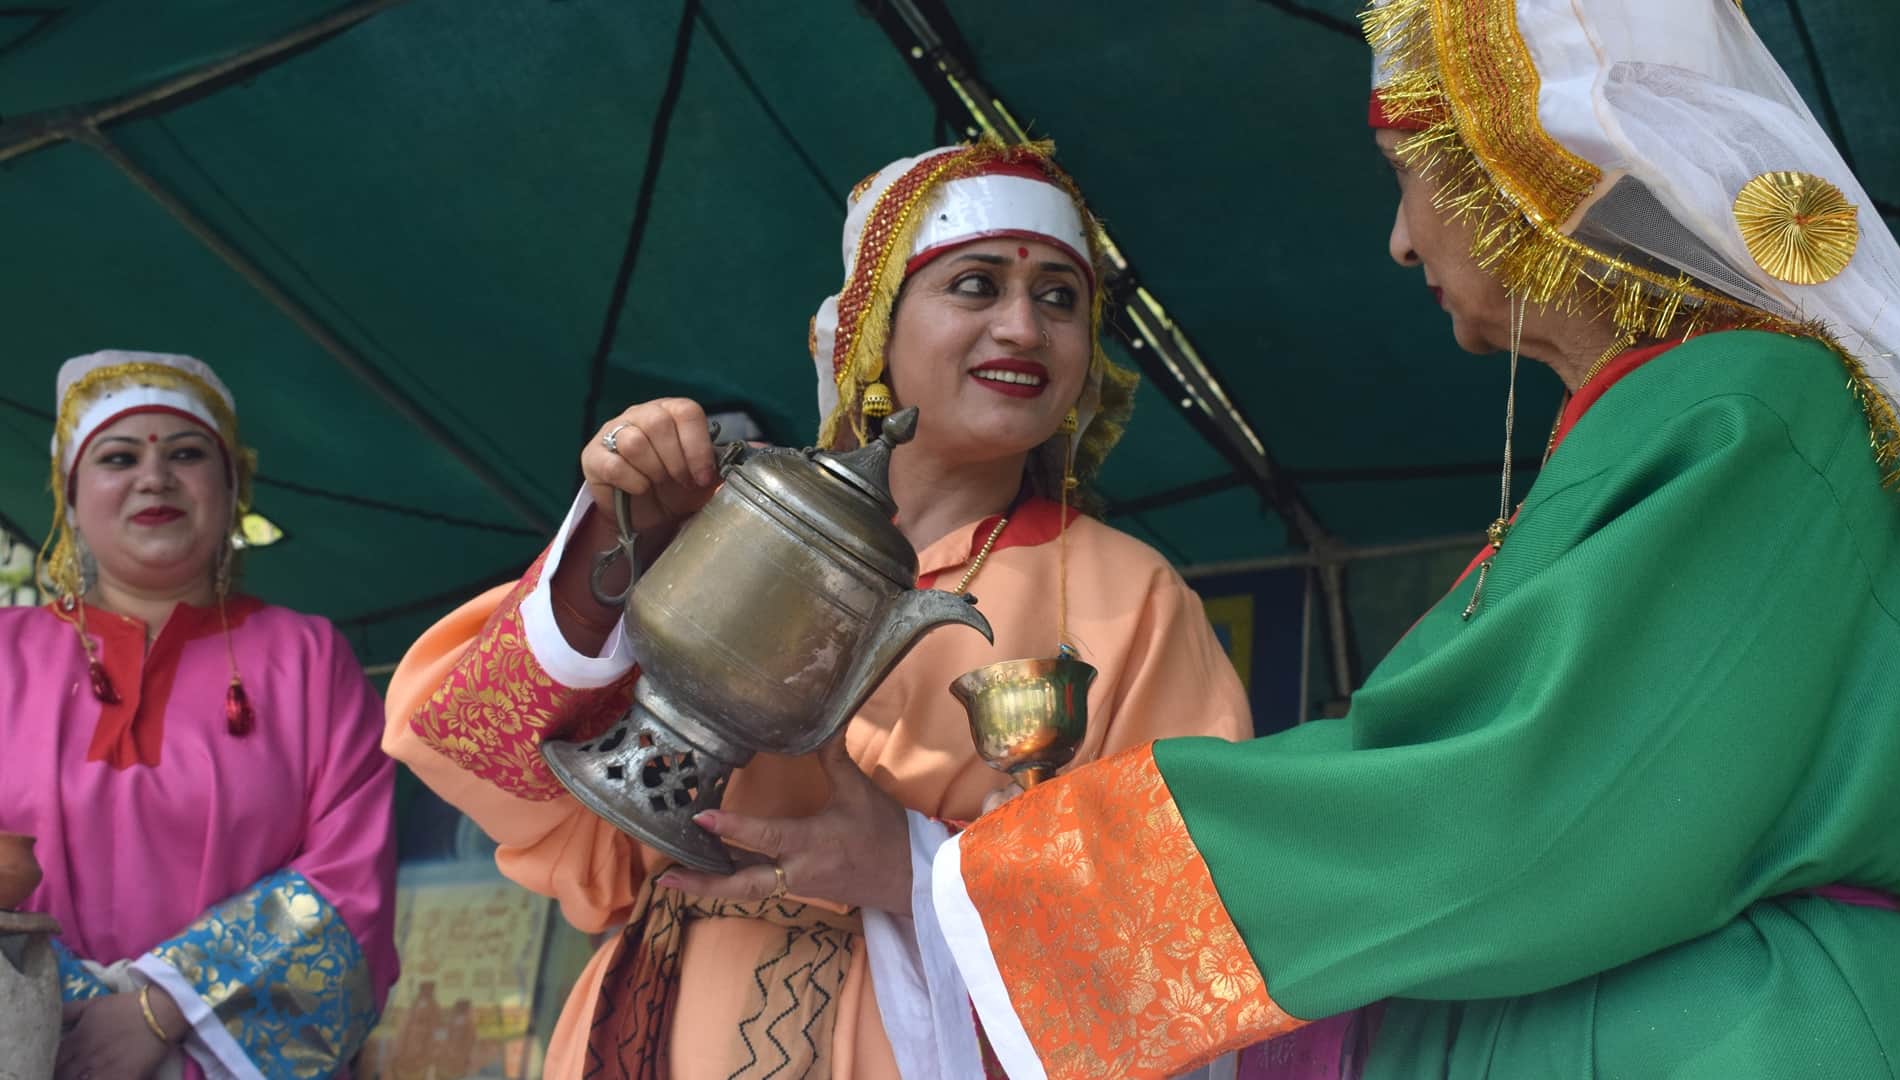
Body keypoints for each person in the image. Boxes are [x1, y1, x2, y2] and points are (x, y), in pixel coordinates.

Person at [929, 3, 1900, 1077]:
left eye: (1403, 173)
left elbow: (1519, 802)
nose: (1399, 240)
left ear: (1517, 168)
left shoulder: (1755, 405)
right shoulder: (1668, 417)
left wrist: (1048, 874)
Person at [381, 139, 1252, 1079]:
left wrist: (916, 870)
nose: (1022, 329)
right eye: (974, 285)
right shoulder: (725, 519)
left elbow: (1195, 929)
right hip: (649, 1022)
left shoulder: (1132, 596)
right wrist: (617, 541)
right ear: (875, 324)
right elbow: (497, 773)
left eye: (1058, 298)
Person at [0, 351, 399, 1080]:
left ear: (231, 487)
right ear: (68, 495)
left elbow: (351, 884)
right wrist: (70, 1012)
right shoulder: (4, 655)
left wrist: (158, 1010)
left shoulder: (308, 659)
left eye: (186, 454)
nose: (154, 478)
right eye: (118, 457)